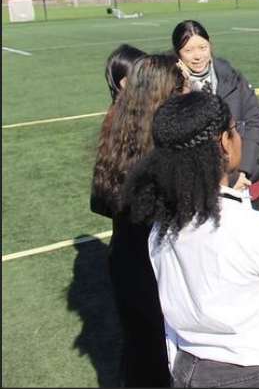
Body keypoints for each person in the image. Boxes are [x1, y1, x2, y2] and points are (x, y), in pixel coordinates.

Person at [123, 92, 259, 388]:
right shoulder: (254, 229)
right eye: (235, 130)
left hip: (189, 368)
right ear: (224, 142)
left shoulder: (162, 226)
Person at [90, 54, 186, 387]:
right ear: (162, 96)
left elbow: (100, 201)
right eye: (178, 90)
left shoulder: (120, 127)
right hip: (153, 269)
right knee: (161, 360)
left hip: (125, 260)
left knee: (140, 355)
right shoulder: (160, 150)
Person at [172, 20, 259, 210]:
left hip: (244, 182)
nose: (198, 56)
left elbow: (253, 122)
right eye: (188, 51)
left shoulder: (231, 77)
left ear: (210, 44)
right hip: (202, 191)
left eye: (202, 47)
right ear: (177, 53)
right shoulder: (171, 87)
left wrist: (244, 172)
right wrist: (184, 87)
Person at [91, 44, 147, 218]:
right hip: (134, 224)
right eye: (144, 75)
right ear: (125, 82)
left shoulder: (118, 111)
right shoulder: (126, 119)